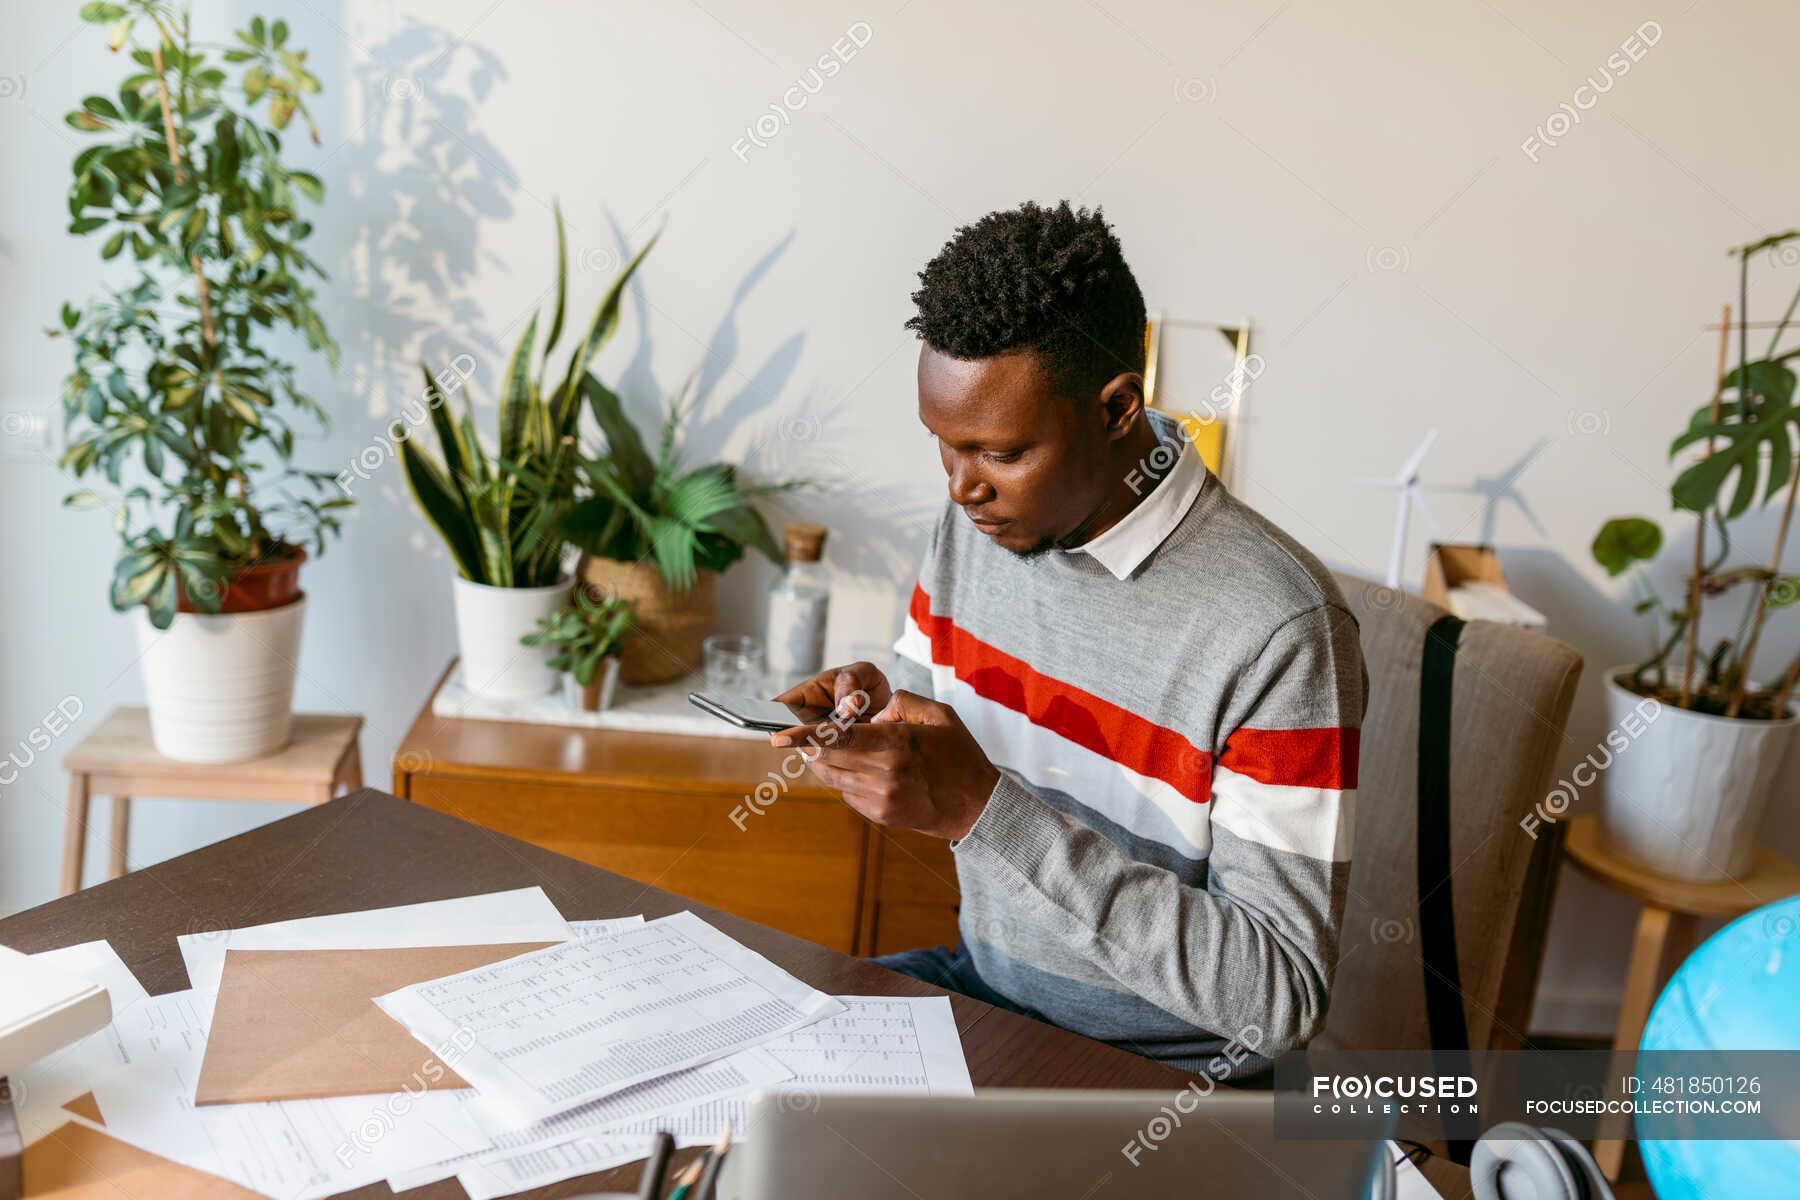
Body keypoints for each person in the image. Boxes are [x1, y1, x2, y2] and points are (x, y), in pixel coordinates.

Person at [773, 200, 1365, 1078]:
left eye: (999, 453)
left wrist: (986, 810)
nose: (961, 487)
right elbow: (939, 731)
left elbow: (1277, 997)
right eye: (943, 447)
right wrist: (879, 715)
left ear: (1117, 407)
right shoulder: (980, 526)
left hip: (1160, 1077)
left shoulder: (1277, 629)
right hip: (986, 992)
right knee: (740, 1090)